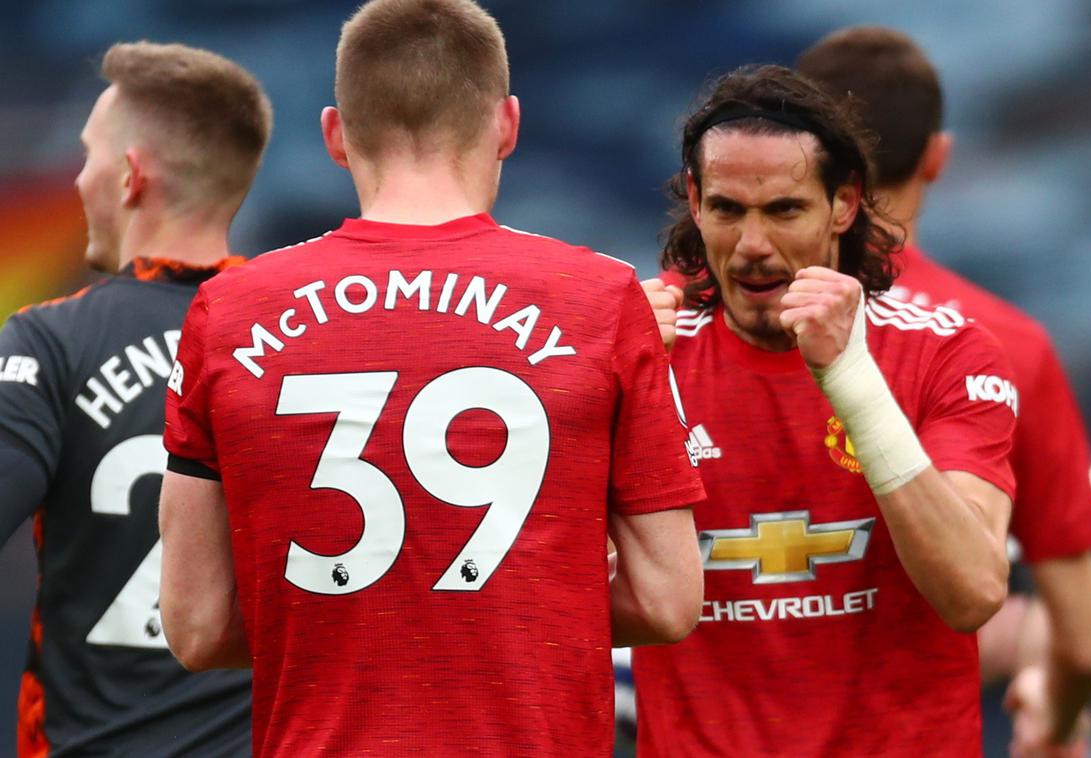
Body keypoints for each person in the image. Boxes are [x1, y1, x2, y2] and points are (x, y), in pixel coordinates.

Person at [156, 1, 706, 755]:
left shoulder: (227, 313)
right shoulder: (603, 300)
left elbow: (196, 625)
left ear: (335, 136)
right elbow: (668, 600)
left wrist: (365, 611)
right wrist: (516, 603)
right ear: (508, 124)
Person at [632, 63, 1017, 757]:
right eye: (726, 209)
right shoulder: (638, 350)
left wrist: (850, 378)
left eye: (783, 209)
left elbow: (974, 592)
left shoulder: (947, 354)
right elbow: (555, 596)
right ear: (693, 200)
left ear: (844, 204)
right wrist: (613, 391)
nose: (752, 245)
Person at [796, 27, 1091, 757]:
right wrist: (1055, 722)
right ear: (939, 158)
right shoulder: (1007, 341)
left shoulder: (668, 317)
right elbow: (1084, 639)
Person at [0, 42, 270, 756]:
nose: (78, 174)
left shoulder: (50, 341)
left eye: (87, 154)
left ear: (128, 175)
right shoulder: (312, 339)